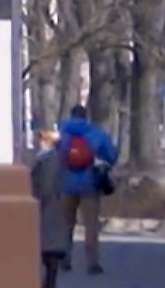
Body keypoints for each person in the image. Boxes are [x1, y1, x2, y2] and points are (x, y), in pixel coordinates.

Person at [50, 104, 118, 275]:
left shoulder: (60, 134)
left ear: (71, 115)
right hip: (90, 183)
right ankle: (92, 263)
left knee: (65, 224)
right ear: (86, 116)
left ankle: (64, 258)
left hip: (65, 183)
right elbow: (111, 155)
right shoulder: (95, 133)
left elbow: (48, 154)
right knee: (91, 225)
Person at [28, 128, 69, 288]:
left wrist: (36, 201)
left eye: (42, 138)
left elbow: (44, 186)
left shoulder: (47, 160)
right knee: (51, 251)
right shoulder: (56, 159)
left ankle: (49, 286)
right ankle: (49, 284)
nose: (39, 141)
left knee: (46, 250)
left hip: (47, 207)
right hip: (57, 206)